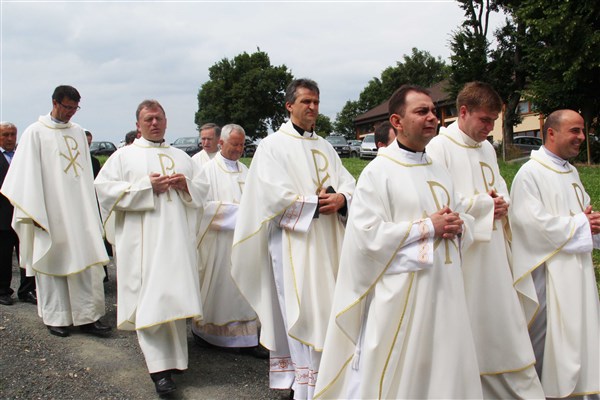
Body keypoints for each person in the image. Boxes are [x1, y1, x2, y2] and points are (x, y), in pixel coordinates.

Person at [314, 85, 482, 399]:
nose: (432, 117)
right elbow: (367, 236)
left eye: (433, 111)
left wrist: (461, 225)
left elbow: (458, 215)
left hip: (446, 290)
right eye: (421, 111)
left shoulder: (440, 170)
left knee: (445, 366)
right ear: (397, 121)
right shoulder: (379, 172)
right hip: (402, 294)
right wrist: (427, 227)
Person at [231, 78, 356, 399]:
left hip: (330, 244)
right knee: (302, 312)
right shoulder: (272, 146)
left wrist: (342, 199)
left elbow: (348, 183)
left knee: (328, 309)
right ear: (289, 106)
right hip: (294, 245)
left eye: (316, 102)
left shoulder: (326, 146)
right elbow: (270, 197)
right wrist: (315, 204)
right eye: (306, 102)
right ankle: (302, 384)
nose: (313, 107)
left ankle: (327, 380)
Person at [426, 81, 544, 398]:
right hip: (464, 255)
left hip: (494, 254)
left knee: (503, 326)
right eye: (484, 120)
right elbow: (441, 202)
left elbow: (499, 187)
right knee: (470, 326)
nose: (489, 128)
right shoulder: (439, 148)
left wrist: (502, 204)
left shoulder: (487, 148)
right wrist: (487, 205)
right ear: (463, 112)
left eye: (493, 121)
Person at [94, 99, 207, 396]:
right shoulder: (123, 157)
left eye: (158, 118)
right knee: (151, 301)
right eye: (148, 119)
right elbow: (104, 191)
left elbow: (203, 191)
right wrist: (147, 187)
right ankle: (159, 371)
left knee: (174, 299)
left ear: (166, 121)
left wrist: (186, 186)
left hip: (177, 243)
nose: (154, 123)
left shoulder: (182, 157)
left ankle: (176, 360)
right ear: (138, 124)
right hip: (143, 244)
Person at [0, 85, 110, 338]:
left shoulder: (79, 132)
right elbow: (24, 176)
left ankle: (88, 317)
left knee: (85, 264)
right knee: (53, 264)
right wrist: (33, 213)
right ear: (55, 103)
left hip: (79, 213)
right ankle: (56, 317)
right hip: (49, 213)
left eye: (75, 108)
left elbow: (84, 176)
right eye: (67, 107)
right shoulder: (35, 132)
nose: (71, 112)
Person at [510, 109, 600, 398]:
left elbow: (583, 213)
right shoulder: (530, 174)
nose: (582, 137)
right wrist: (581, 224)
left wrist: (591, 222)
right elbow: (530, 225)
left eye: (582, 131)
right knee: (547, 347)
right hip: (548, 278)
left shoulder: (570, 172)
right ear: (551, 132)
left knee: (580, 338)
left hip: (578, 273)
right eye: (575, 130)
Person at [191, 123, 267, 359]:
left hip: (246, 242)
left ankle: (249, 338)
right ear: (221, 143)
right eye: (234, 144)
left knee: (247, 286)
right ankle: (209, 334)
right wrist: (242, 214)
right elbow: (202, 208)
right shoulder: (207, 172)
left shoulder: (247, 171)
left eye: (242, 145)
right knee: (222, 288)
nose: (238, 149)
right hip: (219, 244)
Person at [0, 122, 36, 306]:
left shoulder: (22, 156)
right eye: (5, 134)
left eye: (13, 134)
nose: (10, 138)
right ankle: (2, 290)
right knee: (3, 256)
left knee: (27, 253)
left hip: (24, 214)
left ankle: (27, 289)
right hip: (3, 216)